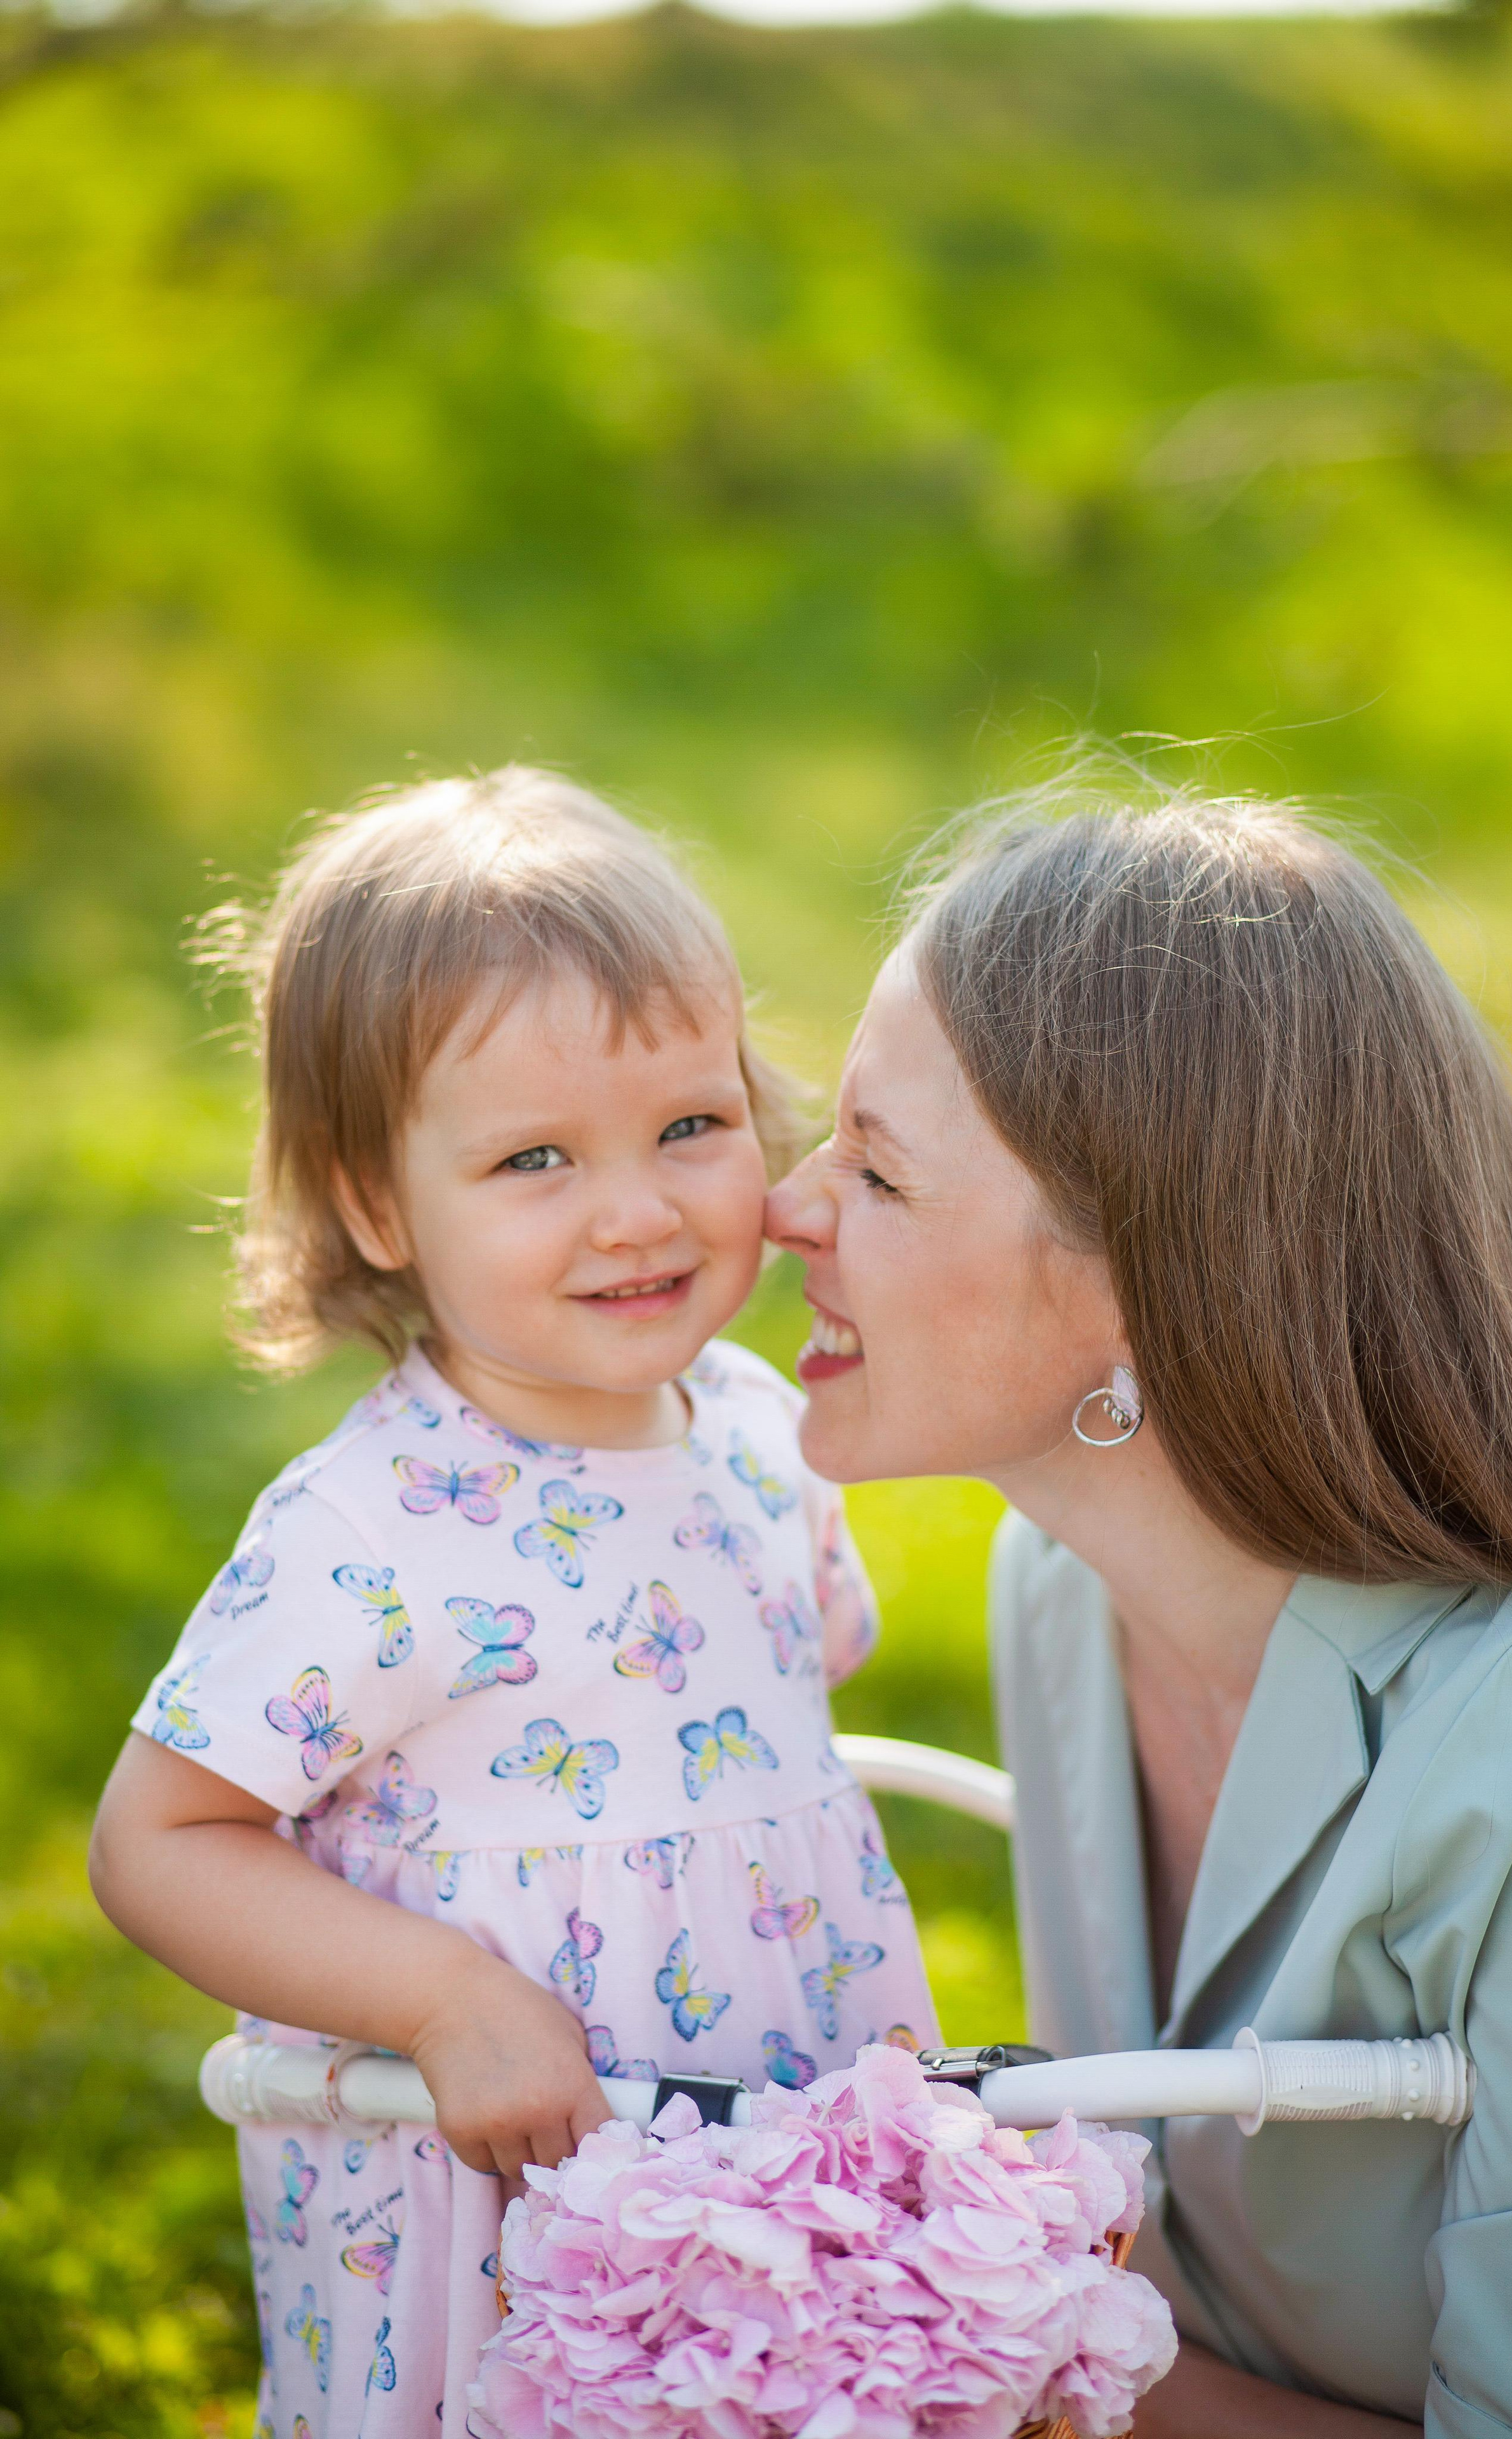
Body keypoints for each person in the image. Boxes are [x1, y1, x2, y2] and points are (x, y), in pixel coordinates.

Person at [766, 788, 1512, 2439]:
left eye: (875, 1167)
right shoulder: (1061, 1584)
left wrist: (1002, 2348)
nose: (787, 1206)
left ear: (1140, 1294)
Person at [89, 769, 937, 2439]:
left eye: (690, 1127)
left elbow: (796, 1683)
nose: (637, 1212)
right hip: (486, 2175)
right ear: (375, 1203)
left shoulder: (770, 1429)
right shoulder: (375, 1530)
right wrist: (446, 2001)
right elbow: (158, 1841)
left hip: (773, 2124)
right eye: (535, 1158)